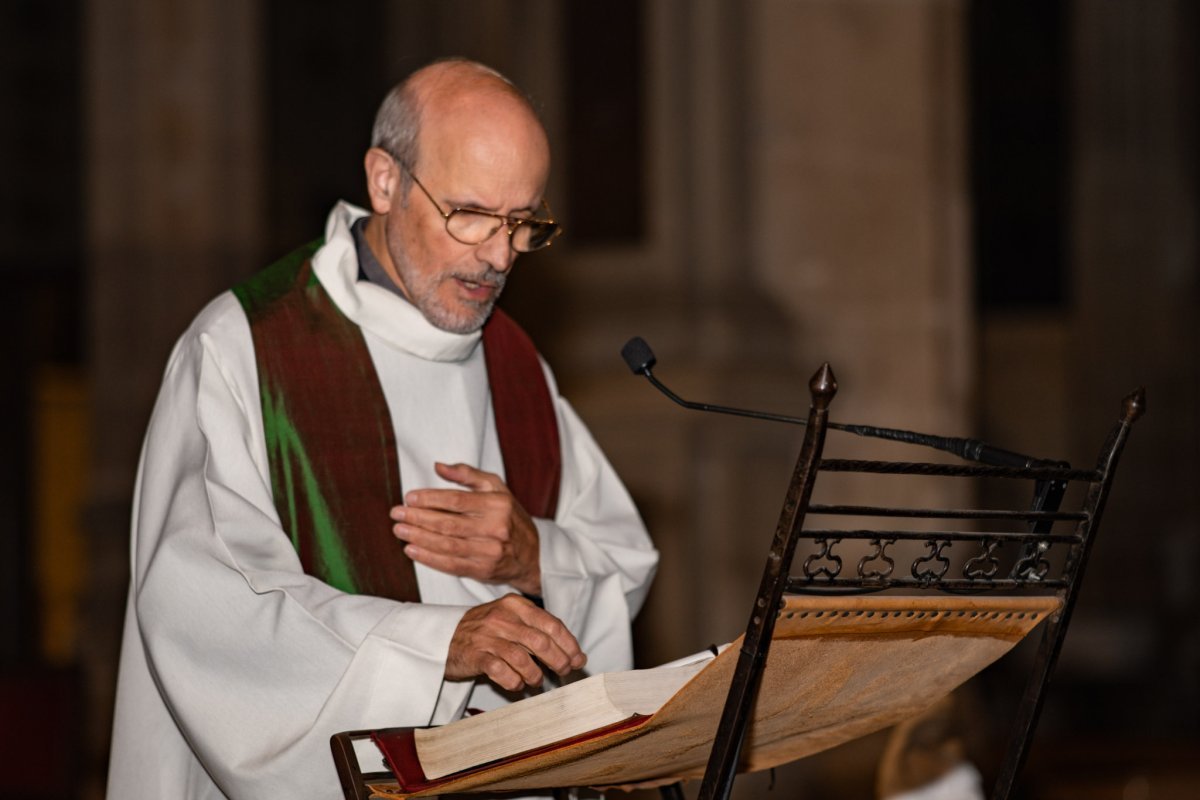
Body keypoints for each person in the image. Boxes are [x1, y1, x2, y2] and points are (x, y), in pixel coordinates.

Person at [106, 58, 659, 799]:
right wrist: (436, 649)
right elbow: (208, 611)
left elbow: (618, 563)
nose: (498, 256)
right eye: (469, 214)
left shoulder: (516, 364)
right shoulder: (246, 349)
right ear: (385, 181)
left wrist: (536, 558)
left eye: (523, 223)